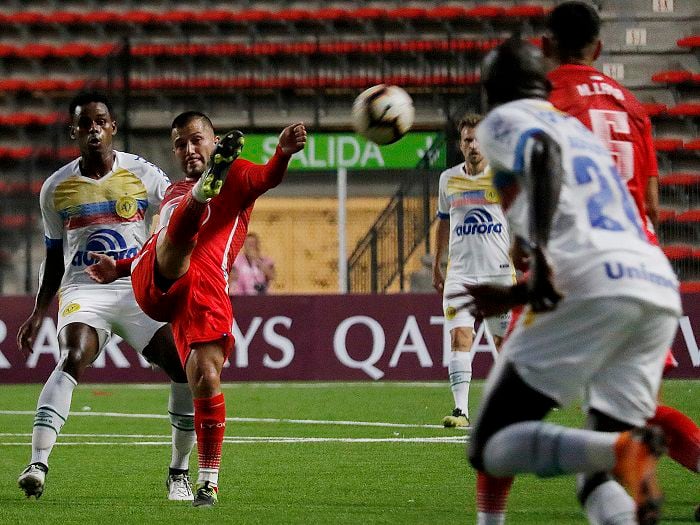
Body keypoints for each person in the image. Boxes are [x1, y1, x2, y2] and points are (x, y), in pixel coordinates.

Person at [459, 37, 681, 525]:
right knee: (598, 479)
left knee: (489, 445)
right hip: (654, 284)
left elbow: (539, 153)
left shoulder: (506, 121)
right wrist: (519, 290)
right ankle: (622, 451)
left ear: (492, 90)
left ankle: (622, 448)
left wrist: (536, 256)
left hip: (590, 281)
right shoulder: (580, 133)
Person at [86, 111, 307, 507]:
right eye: (179, 144)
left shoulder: (237, 174)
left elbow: (267, 177)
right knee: (177, 236)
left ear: (214, 140)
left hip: (202, 292)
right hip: (154, 280)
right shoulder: (169, 193)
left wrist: (282, 154)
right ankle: (199, 199)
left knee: (204, 377)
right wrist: (119, 266)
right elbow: (154, 247)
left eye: (196, 140)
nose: (188, 149)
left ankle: (208, 482)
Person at [543, 3, 700, 523]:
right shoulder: (632, 105)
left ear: (547, 45)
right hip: (647, 265)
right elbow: (653, 202)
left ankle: (626, 499)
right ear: (599, 48)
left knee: (608, 419)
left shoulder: (549, 102)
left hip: (593, 267)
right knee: (633, 407)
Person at [16, 91, 196, 502]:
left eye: (101, 121)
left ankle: (178, 473)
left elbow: (175, 218)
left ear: (113, 127)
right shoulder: (55, 189)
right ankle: (37, 463)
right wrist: (37, 312)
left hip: (135, 287)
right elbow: (53, 259)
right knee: (73, 355)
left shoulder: (144, 174)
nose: (94, 128)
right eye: (85, 123)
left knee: (182, 365)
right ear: (74, 131)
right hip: (84, 290)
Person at [432, 113, 514, 428]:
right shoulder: (447, 179)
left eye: (479, 139)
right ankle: (460, 411)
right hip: (461, 275)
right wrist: (438, 261)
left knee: (502, 344)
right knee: (460, 337)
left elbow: (518, 219)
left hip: (498, 275)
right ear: (461, 144)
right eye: (468, 140)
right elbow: (442, 220)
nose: (474, 145)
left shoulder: (503, 178)